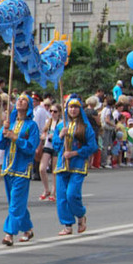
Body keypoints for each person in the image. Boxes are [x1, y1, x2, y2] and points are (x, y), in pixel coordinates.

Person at [0, 93, 40, 246]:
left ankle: (9, 233)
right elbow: (0, 145)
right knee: (15, 202)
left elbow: (31, 147)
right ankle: (27, 228)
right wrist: (5, 133)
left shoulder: (32, 126)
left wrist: (16, 138)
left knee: (16, 202)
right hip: (8, 167)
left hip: (22, 168)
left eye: (24, 100)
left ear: (28, 105)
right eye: (19, 99)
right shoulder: (10, 123)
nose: (20, 101)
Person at [53, 95, 97, 235]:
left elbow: (92, 146)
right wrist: (60, 136)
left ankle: (81, 214)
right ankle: (67, 225)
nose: (73, 110)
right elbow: (55, 145)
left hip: (77, 165)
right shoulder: (61, 126)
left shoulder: (85, 127)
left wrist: (75, 153)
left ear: (80, 109)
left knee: (71, 194)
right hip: (62, 165)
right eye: (70, 107)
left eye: (76, 107)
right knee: (61, 197)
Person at [38, 103, 61, 202]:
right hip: (47, 145)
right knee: (42, 169)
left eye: (55, 111)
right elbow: (44, 133)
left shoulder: (61, 123)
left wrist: (55, 137)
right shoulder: (48, 121)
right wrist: (44, 136)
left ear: (59, 113)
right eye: (51, 111)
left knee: (54, 170)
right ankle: (46, 189)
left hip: (56, 146)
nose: (52, 113)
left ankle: (54, 191)